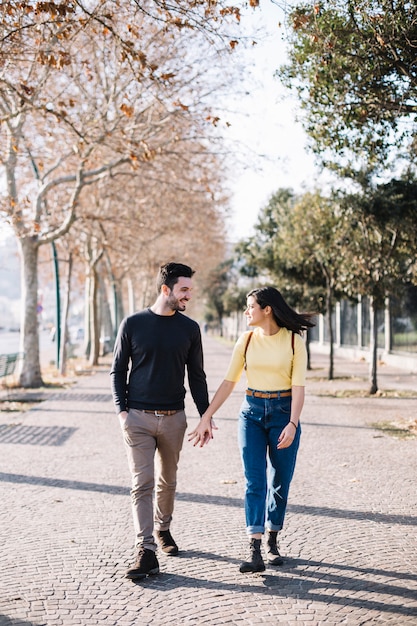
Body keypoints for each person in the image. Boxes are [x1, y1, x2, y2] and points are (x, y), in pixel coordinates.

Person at [188, 286, 315, 573]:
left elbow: (298, 387)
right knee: (254, 481)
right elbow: (229, 382)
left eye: (250, 307)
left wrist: (293, 424)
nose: (247, 312)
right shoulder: (245, 341)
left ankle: (272, 538)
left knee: (280, 481)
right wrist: (206, 416)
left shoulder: (294, 342)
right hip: (252, 414)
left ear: (266, 309)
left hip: (284, 413)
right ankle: (254, 548)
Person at [110, 262, 209, 580]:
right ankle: (146, 550)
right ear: (165, 289)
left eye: (190, 290)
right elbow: (118, 370)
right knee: (142, 484)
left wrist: (205, 415)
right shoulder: (133, 323)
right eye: (184, 289)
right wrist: (122, 412)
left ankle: (163, 529)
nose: (188, 295)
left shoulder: (190, 329)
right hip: (137, 418)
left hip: (173, 419)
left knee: (168, 481)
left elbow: (197, 376)